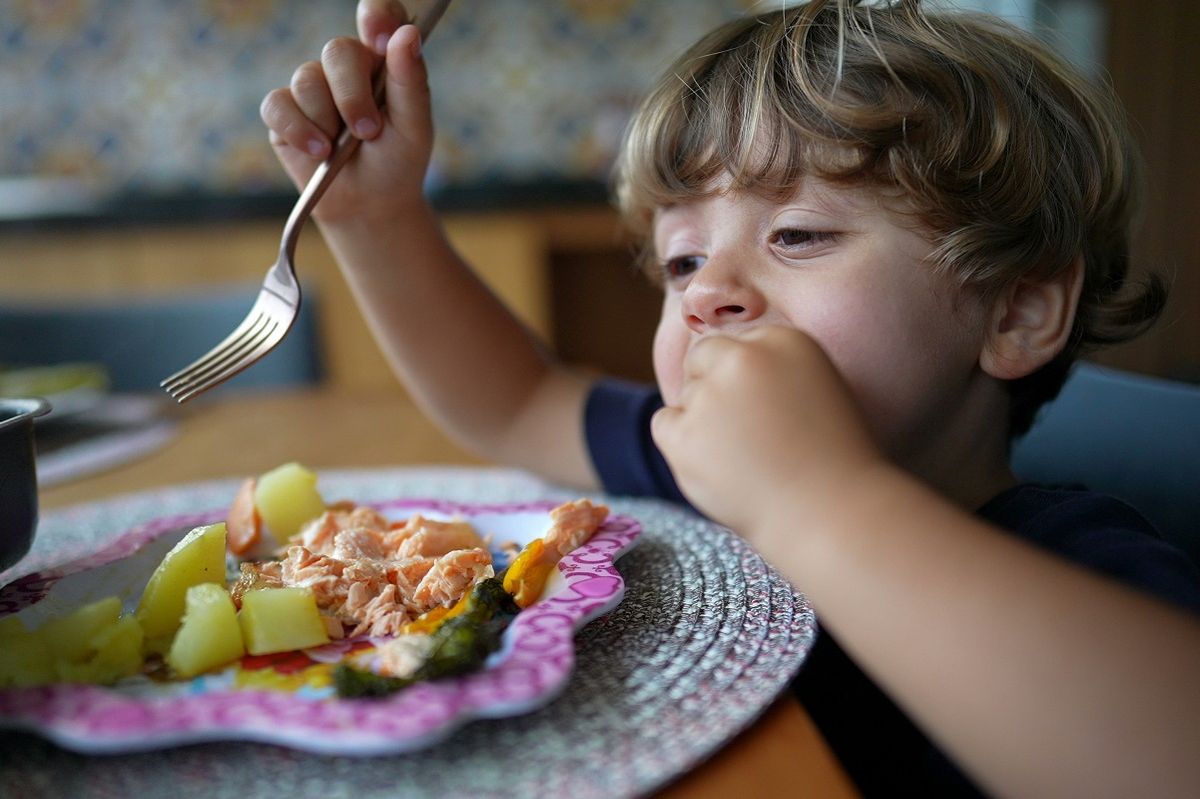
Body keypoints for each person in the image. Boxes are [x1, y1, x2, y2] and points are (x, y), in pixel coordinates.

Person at [261, 0, 1200, 794]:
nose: (707, 290)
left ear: (1017, 311)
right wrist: (375, 217)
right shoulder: (711, 462)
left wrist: (810, 497)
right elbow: (516, 402)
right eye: (682, 259)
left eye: (797, 234)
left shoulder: (1075, 565)